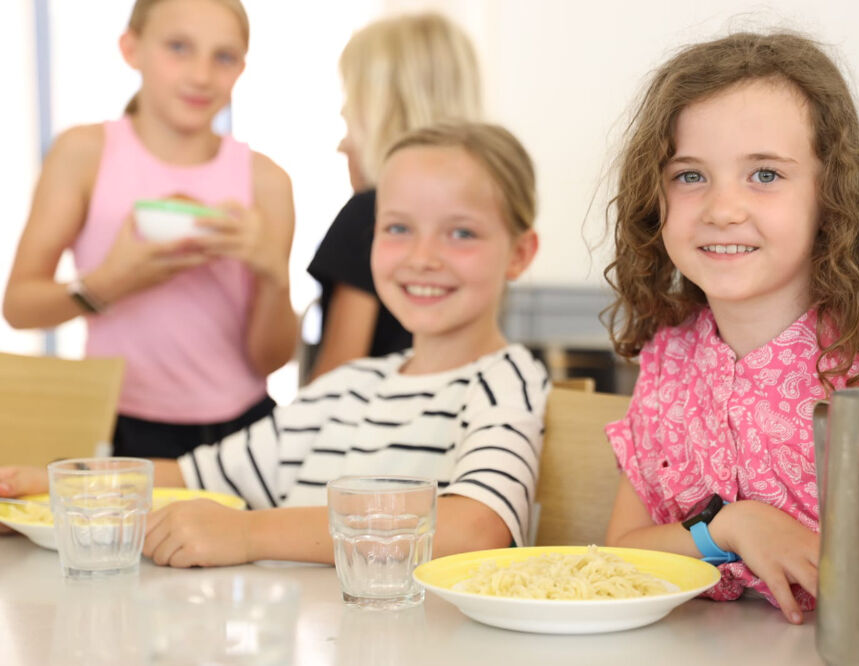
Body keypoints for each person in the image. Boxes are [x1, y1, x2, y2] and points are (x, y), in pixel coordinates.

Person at [0, 122, 547, 567]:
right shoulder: (348, 388)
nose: (422, 257)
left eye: (461, 233)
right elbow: (194, 475)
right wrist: (49, 485)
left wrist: (247, 533)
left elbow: (474, 528)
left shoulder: (506, 380)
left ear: (520, 254)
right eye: (398, 229)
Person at [601, 32, 859, 625]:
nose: (723, 209)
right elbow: (621, 553)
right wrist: (729, 527)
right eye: (690, 176)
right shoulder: (668, 359)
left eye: (765, 174)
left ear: (832, 196)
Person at [2, 0, 298, 458]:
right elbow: (19, 307)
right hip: (117, 424)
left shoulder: (267, 182)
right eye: (178, 47)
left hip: (242, 433)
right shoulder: (83, 153)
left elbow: (269, 360)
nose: (201, 75)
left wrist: (274, 276)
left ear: (242, 68)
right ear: (131, 48)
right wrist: (109, 283)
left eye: (223, 57)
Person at [305, 12, 482, 381]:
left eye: (350, 99)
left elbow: (335, 381)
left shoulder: (371, 214)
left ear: (381, 112)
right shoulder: (481, 220)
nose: (342, 111)